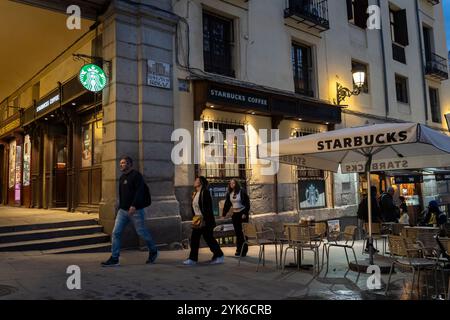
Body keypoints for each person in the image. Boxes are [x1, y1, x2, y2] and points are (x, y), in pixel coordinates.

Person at [101, 156, 158, 267]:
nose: (121, 165)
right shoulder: (122, 178)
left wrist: (134, 205)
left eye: (123, 163)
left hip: (135, 211)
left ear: (129, 164)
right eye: (120, 163)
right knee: (116, 233)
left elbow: (140, 191)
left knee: (141, 232)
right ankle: (114, 258)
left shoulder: (136, 176)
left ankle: (153, 250)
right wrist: (121, 207)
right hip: (122, 211)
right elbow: (122, 195)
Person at [183, 176, 224, 266]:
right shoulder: (196, 193)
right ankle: (193, 259)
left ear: (200, 182)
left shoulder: (205, 192)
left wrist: (205, 220)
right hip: (197, 219)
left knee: (209, 239)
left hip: (205, 220)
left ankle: (219, 256)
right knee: (195, 239)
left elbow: (208, 208)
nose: (194, 181)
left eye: (196, 180)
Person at [222, 179, 251, 257]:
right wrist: (224, 213)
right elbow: (227, 203)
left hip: (242, 213)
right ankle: (238, 250)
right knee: (238, 233)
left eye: (233, 183)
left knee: (243, 233)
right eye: (230, 183)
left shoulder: (241, 191)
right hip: (235, 214)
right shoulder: (230, 193)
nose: (232, 184)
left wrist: (245, 213)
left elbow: (247, 203)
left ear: (236, 184)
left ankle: (244, 251)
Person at [357, 186, 381, 253]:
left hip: (366, 219)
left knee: (369, 233)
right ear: (374, 192)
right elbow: (376, 210)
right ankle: (369, 247)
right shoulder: (372, 199)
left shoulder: (365, 199)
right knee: (372, 233)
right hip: (372, 219)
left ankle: (369, 247)